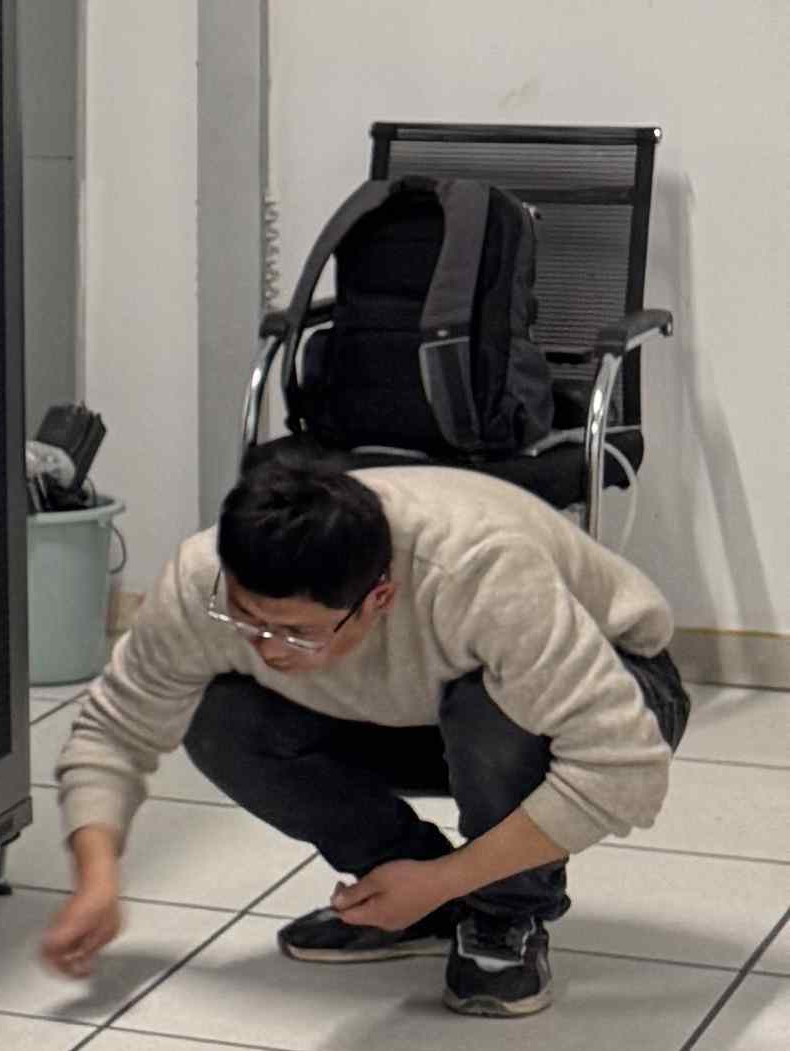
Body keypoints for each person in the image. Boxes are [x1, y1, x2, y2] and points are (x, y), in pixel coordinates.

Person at [41, 437, 686, 1020]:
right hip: (409, 708)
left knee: (486, 714)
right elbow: (114, 728)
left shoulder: (480, 570)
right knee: (218, 716)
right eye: (247, 618)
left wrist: (451, 877)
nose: (268, 649)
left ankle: (499, 913)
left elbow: (624, 768)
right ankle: (408, 893)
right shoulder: (203, 578)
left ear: (380, 598)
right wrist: (97, 881)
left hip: (615, 686)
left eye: (297, 632)